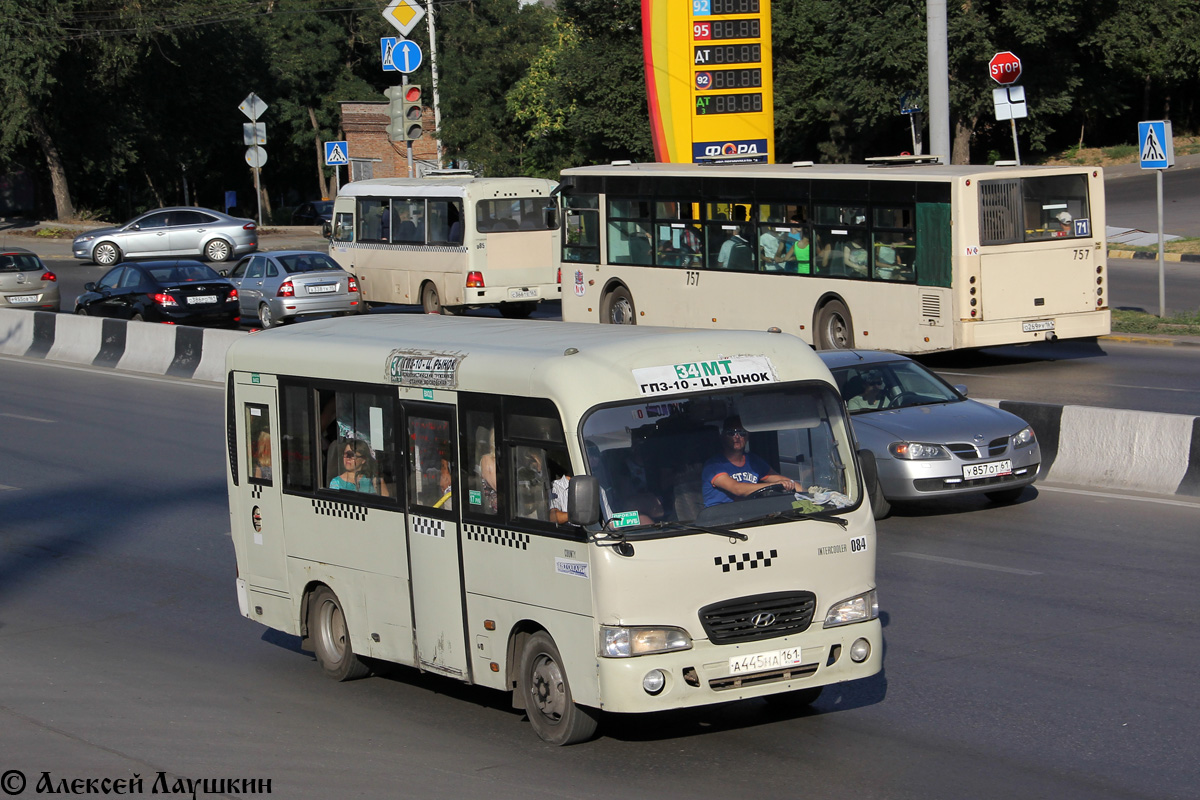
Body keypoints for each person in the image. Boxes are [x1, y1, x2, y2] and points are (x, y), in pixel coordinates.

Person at [701, 416, 796, 507]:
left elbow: (784, 480)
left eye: (742, 433)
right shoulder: (713, 465)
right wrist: (774, 485)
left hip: (750, 515)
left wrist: (806, 493)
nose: (737, 437)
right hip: (720, 519)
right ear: (723, 436)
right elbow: (737, 489)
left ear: (748, 436)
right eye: (731, 433)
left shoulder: (754, 461)